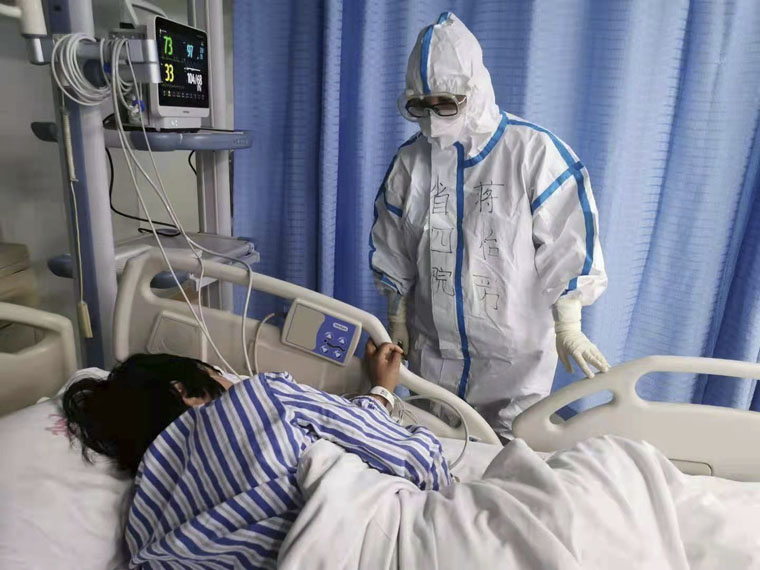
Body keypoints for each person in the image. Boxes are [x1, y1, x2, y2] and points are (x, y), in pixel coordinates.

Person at [369, 12, 609, 436]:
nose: (432, 118)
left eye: (446, 103)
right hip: (433, 356)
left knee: (506, 456)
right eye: (420, 106)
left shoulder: (533, 153)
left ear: (475, 91)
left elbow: (568, 244)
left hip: (514, 363)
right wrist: (397, 317)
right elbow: (393, 249)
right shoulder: (410, 163)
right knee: (434, 449)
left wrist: (569, 324)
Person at [62, 344, 449, 569]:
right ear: (184, 389)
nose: (232, 380)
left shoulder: (144, 530)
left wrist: (379, 395)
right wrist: (384, 393)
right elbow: (417, 461)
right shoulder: (257, 398)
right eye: (216, 371)